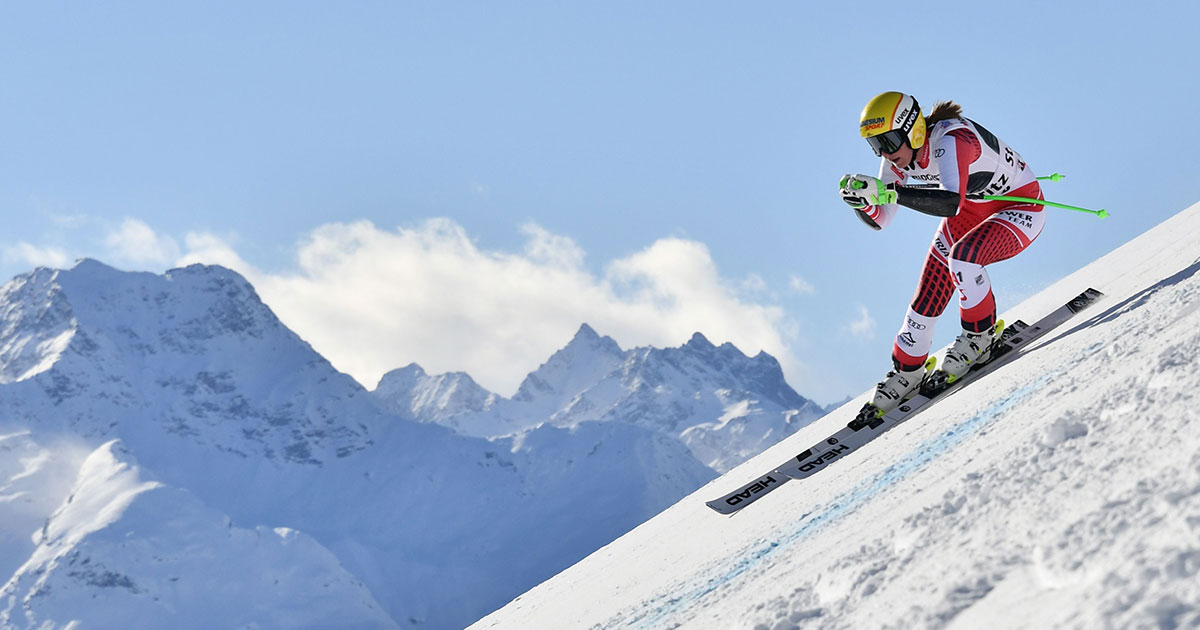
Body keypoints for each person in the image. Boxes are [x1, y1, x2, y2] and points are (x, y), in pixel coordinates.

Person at [838, 91, 1046, 417]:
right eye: (876, 145)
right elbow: (882, 219)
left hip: (1021, 207)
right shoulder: (896, 158)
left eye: (890, 141)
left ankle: (979, 337)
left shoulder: (952, 139)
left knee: (963, 258)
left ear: (913, 130)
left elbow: (950, 203)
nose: (886, 153)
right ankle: (908, 371)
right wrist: (862, 202)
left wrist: (888, 191)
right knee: (930, 287)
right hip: (975, 209)